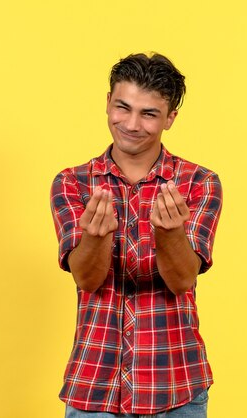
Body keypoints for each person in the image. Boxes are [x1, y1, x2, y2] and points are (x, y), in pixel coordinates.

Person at [50, 53, 223, 417]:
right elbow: (87, 278)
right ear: (108, 103)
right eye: (122, 107)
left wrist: (170, 234)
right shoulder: (72, 183)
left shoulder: (199, 183)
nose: (130, 124)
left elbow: (181, 281)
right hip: (95, 386)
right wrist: (96, 239)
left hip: (175, 386)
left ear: (170, 118)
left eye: (148, 114)